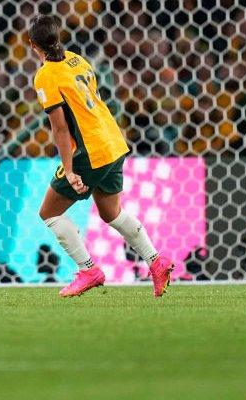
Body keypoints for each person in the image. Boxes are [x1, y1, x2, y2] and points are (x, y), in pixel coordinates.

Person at [28, 15, 174, 298]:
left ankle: (88, 270)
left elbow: (59, 127)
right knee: (111, 213)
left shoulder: (45, 76)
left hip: (90, 150)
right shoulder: (76, 59)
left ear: (33, 45)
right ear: (58, 37)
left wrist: (69, 170)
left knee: (48, 212)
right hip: (113, 141)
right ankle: (157, 262)